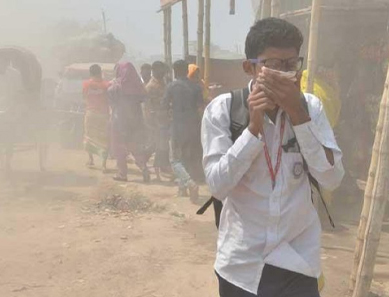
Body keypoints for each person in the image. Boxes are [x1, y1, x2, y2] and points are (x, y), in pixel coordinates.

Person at [201, 18, 344, 297]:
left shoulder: (311, 108)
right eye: (273, 65)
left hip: (298, 260)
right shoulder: (223, 110)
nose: (283, 74)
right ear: (249, 67)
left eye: (290, 65)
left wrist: (298, 115)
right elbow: (217, 186)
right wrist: (253, 129)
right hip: (242, 264)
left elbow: (332, 178)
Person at [162, 60, 202, 201]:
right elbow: (200, 107)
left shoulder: (171, 86)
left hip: (178, 127)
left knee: (175, 160)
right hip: (193, 127)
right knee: (186, 158)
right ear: (186, 71)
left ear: (174, 71)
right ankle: (182, 190)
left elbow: (164, 106)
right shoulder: (196, 87)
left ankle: (190, 183)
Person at [109, 61, 150, 183]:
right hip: (136, 121)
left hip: (119, 120)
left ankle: (122, 173)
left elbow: (111, 100)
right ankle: (143, 167)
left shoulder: (115, 85)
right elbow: (144, 98)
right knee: (134, 145)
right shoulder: (139, 86)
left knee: (119, 146)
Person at [144, 61, 171, 180]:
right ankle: (143, 160)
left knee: (161, 145)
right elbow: (147, 107)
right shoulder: (151, 86)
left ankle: (161, 167)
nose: (163, 73)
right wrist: (152, 122)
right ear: (154, 71)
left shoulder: (163, 83)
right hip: (155, 121)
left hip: (163, 119)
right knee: (156, 145)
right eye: (161, 71)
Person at [83, 64, 110, 169]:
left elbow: (84, 97)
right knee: (103, 138)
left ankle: (91, 159)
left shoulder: (85, 84)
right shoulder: (106, 85)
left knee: (89, 136)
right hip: (103, 114)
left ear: (90, 73)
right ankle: (103, 164)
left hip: (90, 114)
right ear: (100, 72)